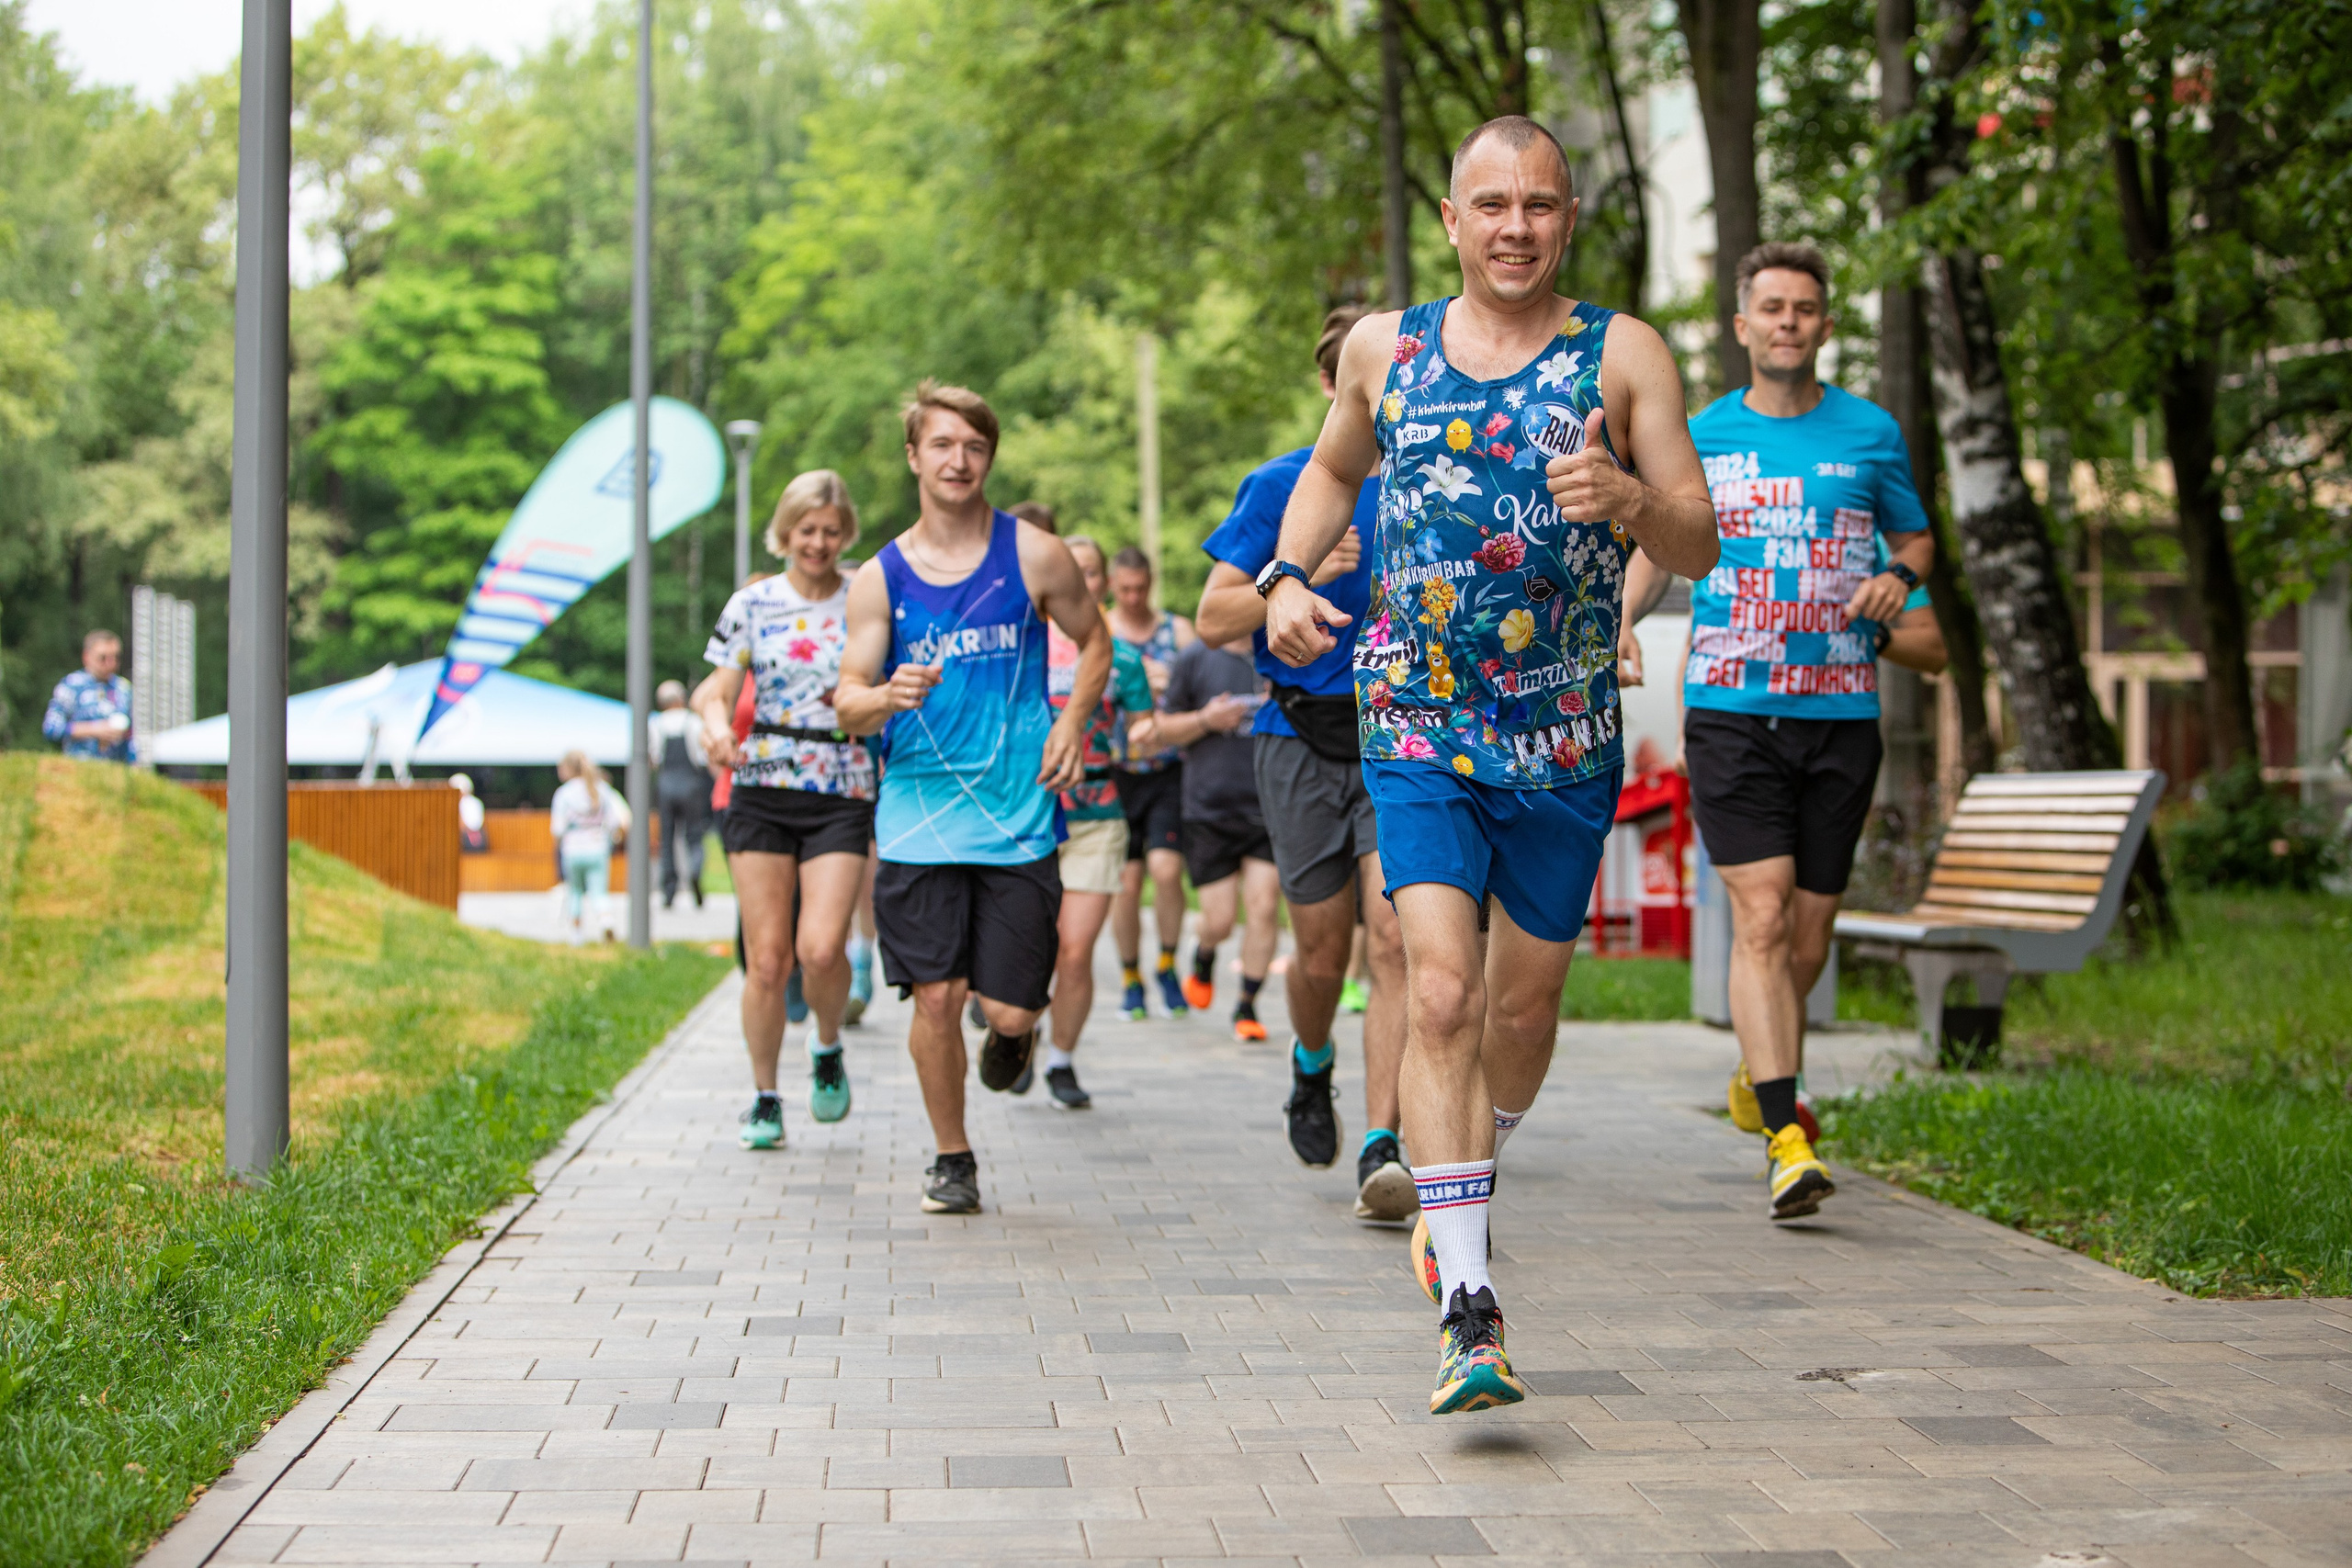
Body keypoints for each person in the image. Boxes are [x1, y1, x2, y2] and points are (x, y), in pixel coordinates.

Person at [1261, 117, 1719, 1413]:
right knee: (1442, 992)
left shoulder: (1623, 352)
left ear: (1566, 220)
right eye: (1492, 204)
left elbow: (1699, 536)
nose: (1516, 227)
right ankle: (1468, 1301)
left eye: (1540, 204)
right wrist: (1285, 573)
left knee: (1520, 1014)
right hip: (1415, 717)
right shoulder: (1384, 348)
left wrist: (1633, 504)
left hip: (1564, 733)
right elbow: (1329, 472)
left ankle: (1463, 1172)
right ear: (1452, 220)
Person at [1619, 241, 1934, 1224]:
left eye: (1803, 308)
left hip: (1840, 713)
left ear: (1823, 326)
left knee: (1806, 932)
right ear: (1742, 325)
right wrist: (1620, 621)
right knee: (1759, 917)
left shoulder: (1871, 433)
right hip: (1729, 708)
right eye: (1771, 307)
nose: (1787, 322)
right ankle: (1788, 1135)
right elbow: (1660, 544)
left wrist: (1902, 576)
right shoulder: (1703, 433)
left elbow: (1916, 537)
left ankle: (1761, 1070)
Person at [833, 381, 1109, 1216]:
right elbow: (846, 701)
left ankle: (1017, 1038)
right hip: (917, 817)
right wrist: (884, 695)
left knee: (1010, 1008)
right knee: (938, 997)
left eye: (975, 446)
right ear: (914, 457)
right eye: (942, 445)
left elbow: (1094, 640)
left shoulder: (1035, 555)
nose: (959, 460)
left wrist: (1072, 723)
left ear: (989, 457)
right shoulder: (880, 578)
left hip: (1018, 815)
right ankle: (952, 1157)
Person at [1195, 304, 1412, 1225]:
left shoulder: (1433, 481)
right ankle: (1311, 1062)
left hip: (1402, 733)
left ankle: (1384, 1142)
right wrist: (1293, 577)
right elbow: (1212, 617)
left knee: (1394, 938)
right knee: (1321, 954)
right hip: (1298, 737)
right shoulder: (1284, 485)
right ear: (1333, 383)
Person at [698, 471, 876, 1150]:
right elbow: (717, 690)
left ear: (846, 533)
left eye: (831, 531)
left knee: (821, 948)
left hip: (840, 786)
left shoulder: (865, 600)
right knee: (768, 959)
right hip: (763, 786)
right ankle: (765, 1097)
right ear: (785, 532)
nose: (819, 543)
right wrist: (716, 727)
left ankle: (827, 1043)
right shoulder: (753, 603)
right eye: (807, 531)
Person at [1035, 532, 1157, 1107]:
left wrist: (1147, 731)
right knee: (1029, 948)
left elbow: (1143, 727)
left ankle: (1060, 1059)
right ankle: (1016, 1030)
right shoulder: (1022, 647)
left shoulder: (1122, 657)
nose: (1078, 582)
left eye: (1088, 572)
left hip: (1097, 816)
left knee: (1074, 949)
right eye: (1069, 571)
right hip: (1025, 817)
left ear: (1102, 583)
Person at [1143, 633, 1281, 1043]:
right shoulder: (1195, 657)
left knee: (1264, 906)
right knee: (1220, 922)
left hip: (1268, 806)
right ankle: (1204, 954)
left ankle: (1247, 1006)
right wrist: (1206, 719)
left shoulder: (1281, 651)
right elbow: (1164, 728)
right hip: (1209, 810)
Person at [1105, 546, 1196, 1019]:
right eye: (1125, 590)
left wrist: (1169, 682)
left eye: (1141, 589)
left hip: (1167, 768)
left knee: (1165, 870)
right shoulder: (1101, 631)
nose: (1133, 597)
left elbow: (1203, 687)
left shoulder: (1176, 631)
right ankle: (1130, 976)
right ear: (1112, 586)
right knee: (1126, 881)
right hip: (1117, 770)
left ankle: (1166, 963)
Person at [550, 750, 629, 944]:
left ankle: (577, 937)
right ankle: (606, 921)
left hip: (573, 848)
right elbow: (615, 821)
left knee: (575, 891)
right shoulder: (601, 789)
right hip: (598, 846)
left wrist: (559, 846)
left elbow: (557, 829)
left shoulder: (564, 794)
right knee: (599, 891)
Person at [650, 680, 714, 908]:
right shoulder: (693, 721)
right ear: (681, 699)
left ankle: (669, 890)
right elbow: (701, 757)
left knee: (667, 838)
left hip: (666, 784)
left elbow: (654, 758)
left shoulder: (655, 723)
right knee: (694, 834)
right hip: (691, 784)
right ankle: (695, 870)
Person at [43, 630, 133, 762]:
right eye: (103, 658)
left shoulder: (124, 688)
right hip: (80, 767)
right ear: (86, 656)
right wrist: (93, 729)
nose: (111, 664)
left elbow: (136, 733)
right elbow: (51, 728)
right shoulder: (72, 685)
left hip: (117, 768)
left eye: (115, 658)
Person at [450, 773, 490, 852]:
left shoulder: (460, 803)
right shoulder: (477, 802)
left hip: (466, 842)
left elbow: (463, 825)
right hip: (478, 840)